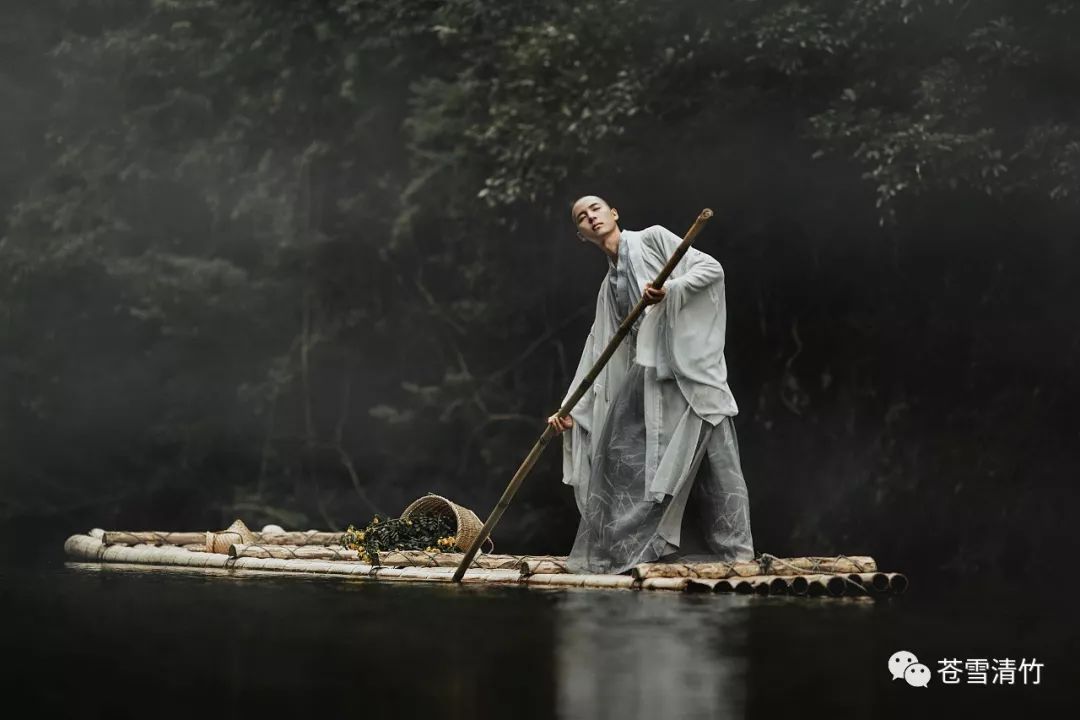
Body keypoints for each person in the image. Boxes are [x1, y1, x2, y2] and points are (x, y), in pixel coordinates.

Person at [549, 195, 754, 574]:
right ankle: (625, 551)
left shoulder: (653, 239)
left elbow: (711, 270)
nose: (590, 217)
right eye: (581, 217)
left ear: (614, 212)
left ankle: (738, 555)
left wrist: (670, 291)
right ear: (580, 235)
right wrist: (570, 409)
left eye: (595, 208)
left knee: (718, 456)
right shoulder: (607, 287)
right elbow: (598, 350)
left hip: (689, 368)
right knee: (619, 456)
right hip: (649, 377)